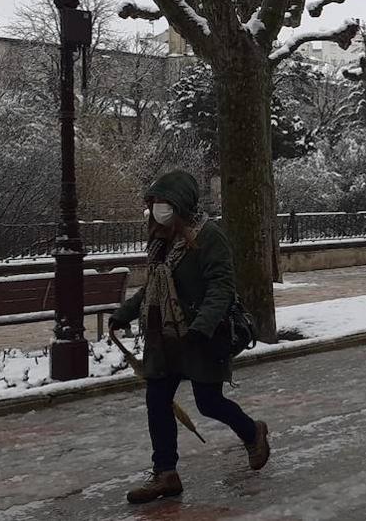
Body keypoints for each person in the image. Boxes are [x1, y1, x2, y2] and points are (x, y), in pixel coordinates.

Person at [108, 170, 270, 504]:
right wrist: (123, 313)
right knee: (157, 400)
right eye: (154, 203)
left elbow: (222, 286)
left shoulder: (209, 236)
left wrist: (202, 327)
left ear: (180, 204)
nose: (157, 209)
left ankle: (252, 431)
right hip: (163, 336)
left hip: (200, 336)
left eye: (163, 203)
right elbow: (152, 286)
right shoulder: (159, 239)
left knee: (208, 403)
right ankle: (165, 473)